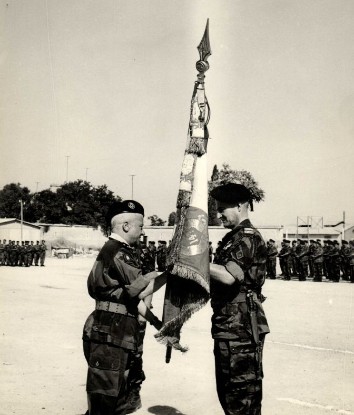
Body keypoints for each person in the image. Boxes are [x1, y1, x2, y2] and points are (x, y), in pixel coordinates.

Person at [82, 200, 162, 415]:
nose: (142, 230)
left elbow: (127, 299)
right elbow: (140, 290)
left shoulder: (114, 250)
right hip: (111, 331)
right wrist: (169, 274)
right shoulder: (118, 252)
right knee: (105, 401)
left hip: (113, 328)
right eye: (140, 226)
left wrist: (157, 323)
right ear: (126, 226)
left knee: (114, 399)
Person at [208, 183, 270, 415]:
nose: (218, 214)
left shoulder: (246, 237)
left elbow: (228, 277)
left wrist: (196, 262)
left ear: (241, 206)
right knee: (231, 397)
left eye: (223, 208)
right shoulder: (232, 238)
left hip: (241, 329)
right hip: (229, 326)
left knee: (241, 399)